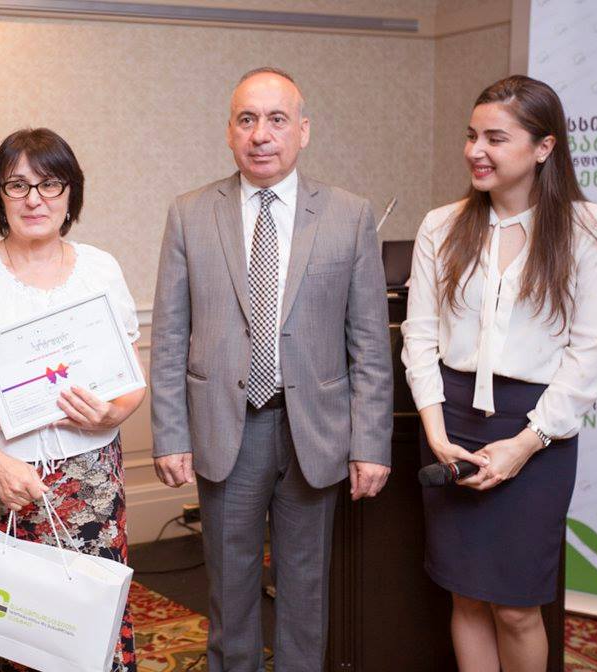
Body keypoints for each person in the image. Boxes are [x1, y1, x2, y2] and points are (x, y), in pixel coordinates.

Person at [150, 67, 393, 671]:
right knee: (229, 595)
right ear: (229, 132)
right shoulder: (189, 214)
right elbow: (170, 336)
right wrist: (171, 434)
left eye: (277, 119)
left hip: (315, 430)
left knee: (306, 595)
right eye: (247, 119)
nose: (261, 134)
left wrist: (371, 443)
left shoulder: (349, 215)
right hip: (226, 428)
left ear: (303, 131)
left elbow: (369, 342)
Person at [402, 75, 597, 672]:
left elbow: (586, 357)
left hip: (537, 432)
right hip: (450, 425)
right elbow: (420, 338)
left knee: (518, 608)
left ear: (544, 147)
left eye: (495, 138)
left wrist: (524, 445)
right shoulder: (441, 225)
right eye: (472, 135)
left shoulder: (588, 227)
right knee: (466, 594)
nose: (476, 150)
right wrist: (435, 433)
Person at [0, 127, 144, 672]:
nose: (34, 199)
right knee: (0, 628)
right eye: (17, 185)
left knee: (84, 630)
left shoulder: (101, 268)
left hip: (89, 479)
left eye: (50, 184)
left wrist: (112, 413)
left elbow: (131, 381)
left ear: (71, 193)